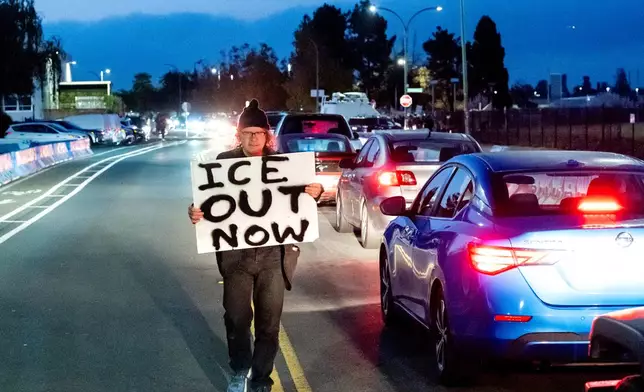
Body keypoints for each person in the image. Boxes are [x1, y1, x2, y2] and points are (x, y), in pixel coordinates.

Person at [188, 99, 323, 392]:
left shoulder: (284, 165)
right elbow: (206, 205)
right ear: (239, 136)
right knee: (236, 317)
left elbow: (306, 195)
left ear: (267, 135)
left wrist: (316, 190)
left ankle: (261, 379)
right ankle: (240, 369)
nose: (252, 138)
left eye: (258, 132)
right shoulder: (223, 164)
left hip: (274, 257)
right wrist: (196, 212)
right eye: (246, 133)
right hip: (236, 257)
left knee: (269, 323)